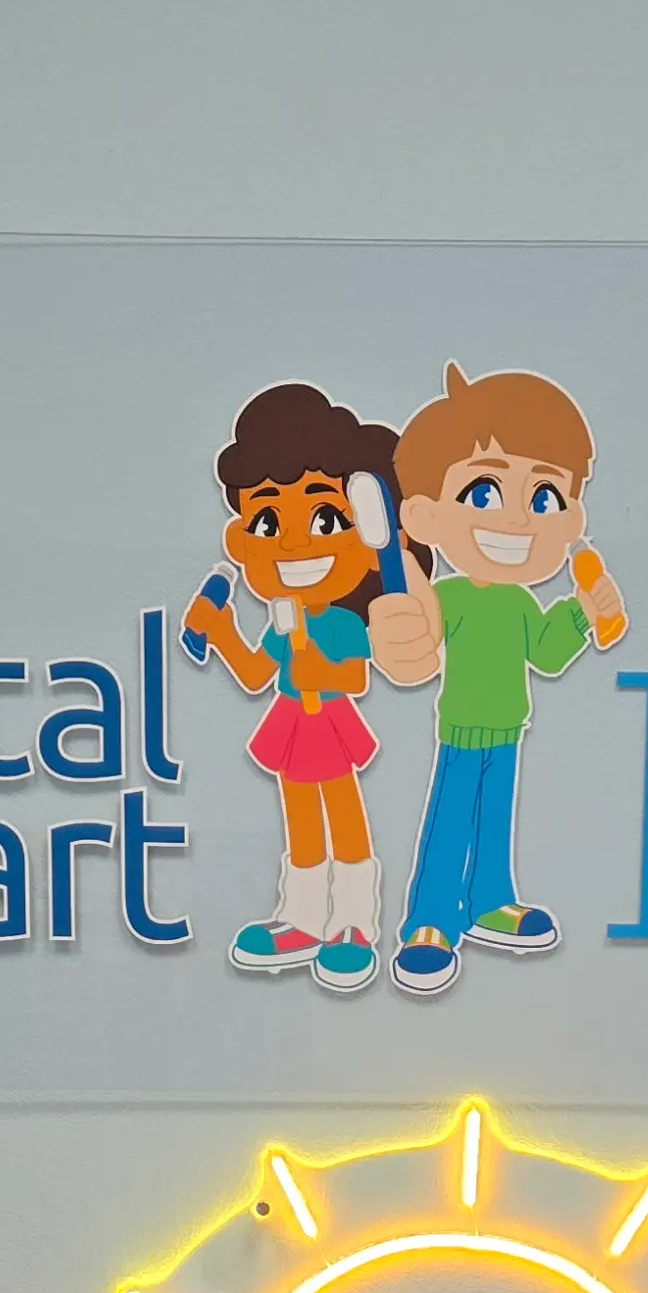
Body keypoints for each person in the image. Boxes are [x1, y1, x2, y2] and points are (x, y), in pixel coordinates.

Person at [364, 360, 627, 995]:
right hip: (460, 729)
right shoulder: (452, 594)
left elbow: (547, 653)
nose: (514, 520)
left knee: (495, 819)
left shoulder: (518, 602)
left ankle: (488, 903)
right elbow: (419, 643)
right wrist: (400, 613)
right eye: (483, 493)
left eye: (544, 498)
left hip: (509, 726)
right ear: (426, 517)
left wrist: (582, 610)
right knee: (450, 818)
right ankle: (428, 922)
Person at [182, 379, 400, 990]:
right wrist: (222, 632)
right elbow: (257, 674)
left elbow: (355, 675)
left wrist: (318, 669)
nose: (297, 541)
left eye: (324, 515)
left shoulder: (338, 621)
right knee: (301, 820)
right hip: (288, 723)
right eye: (270, 518)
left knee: (344, 815)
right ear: (242, 536)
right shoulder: (285, 619)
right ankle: (303, 916)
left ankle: (355, 921)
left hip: (328, 722)